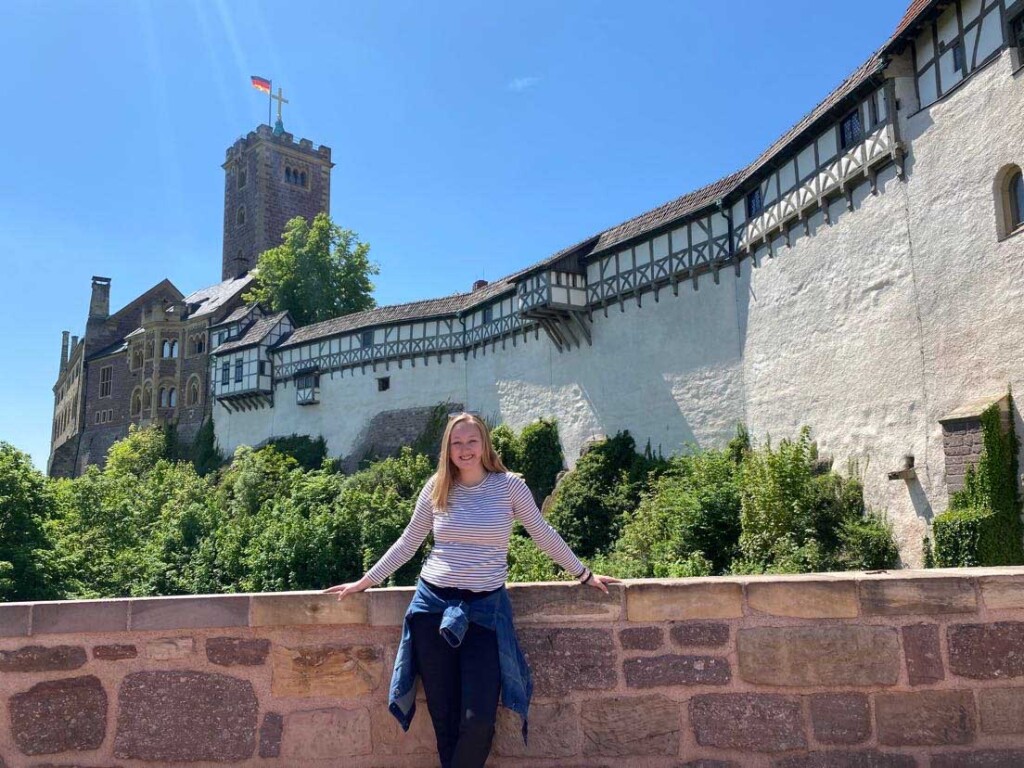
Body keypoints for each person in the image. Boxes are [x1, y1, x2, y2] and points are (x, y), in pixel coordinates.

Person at [323, 412, 618, 768]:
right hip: (432, 608)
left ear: (484, 445)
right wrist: (365, 581)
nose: (465, 449)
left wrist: (584, 574)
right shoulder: (437, 486)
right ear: (447, 449)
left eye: (471, 441)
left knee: (478, 719)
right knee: (444, 717)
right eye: (457, 443)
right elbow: (408, 543)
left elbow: (542, 534)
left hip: (484, 613)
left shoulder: (510, 486)